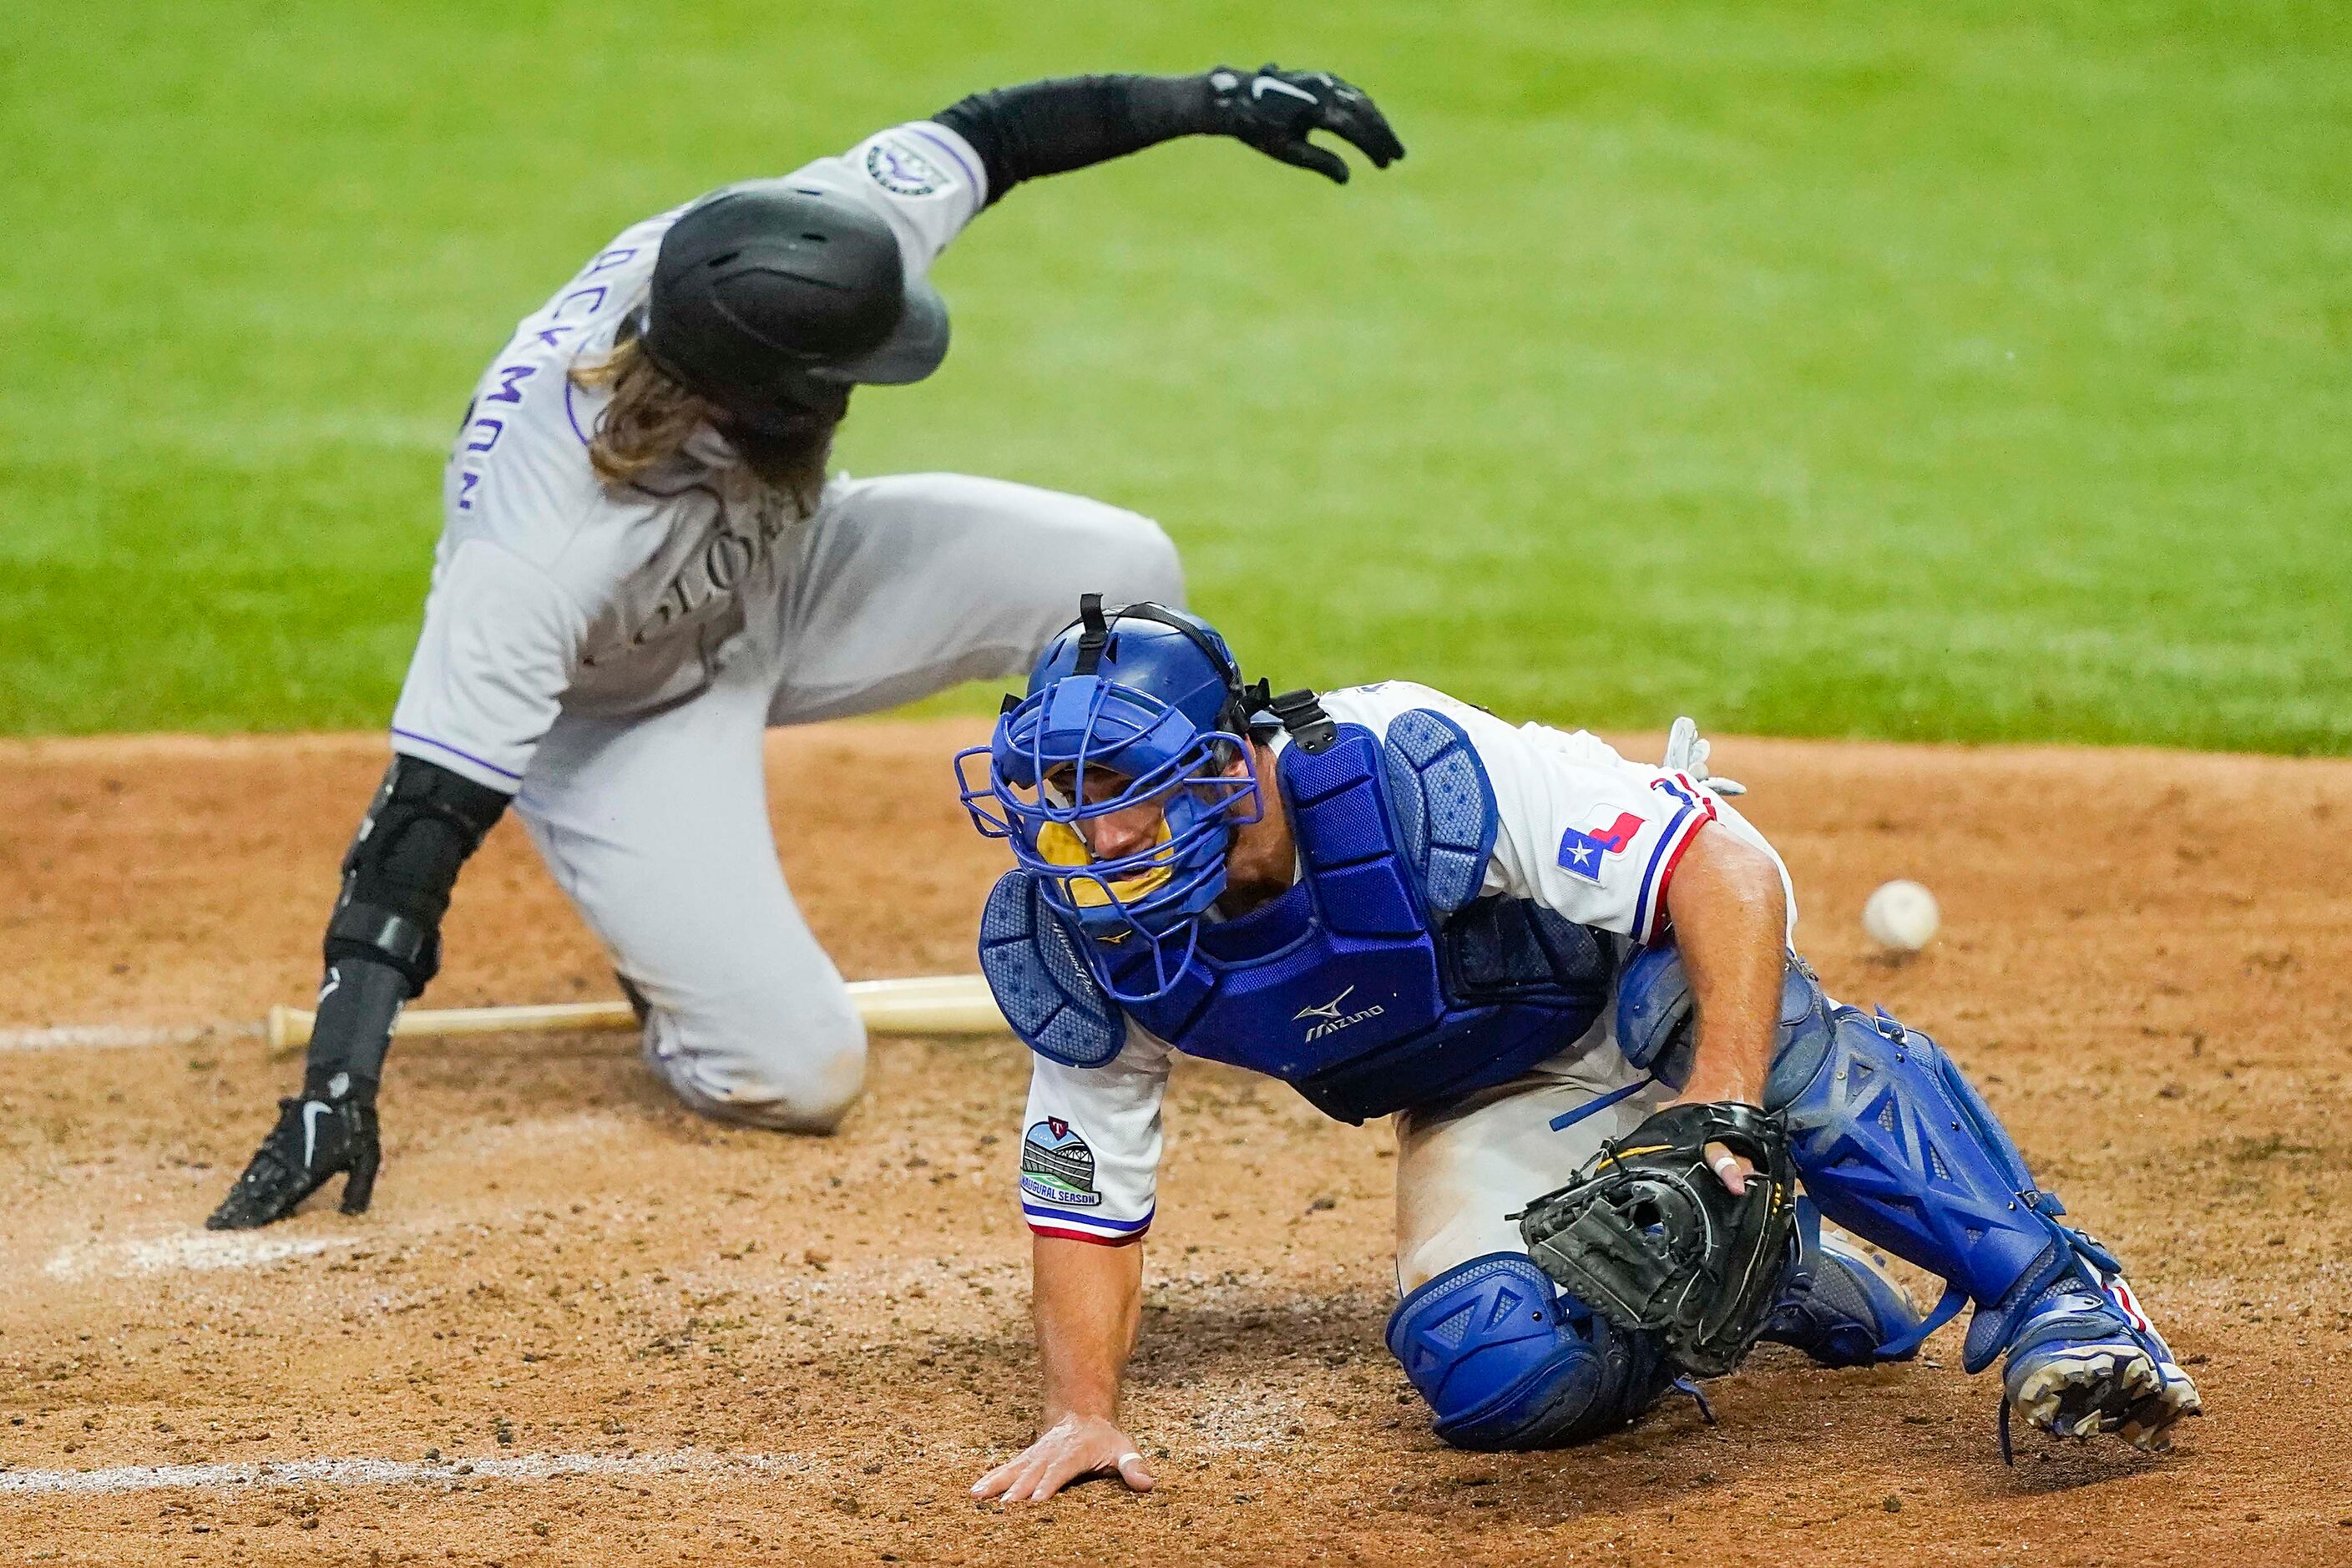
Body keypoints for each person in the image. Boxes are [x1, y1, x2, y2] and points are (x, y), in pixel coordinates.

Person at [209, 68, 1407, 1230]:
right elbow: (417, 826)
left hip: (797, 568)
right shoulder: (535, 555)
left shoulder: (785, 248)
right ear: (764, 402)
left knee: (1122, 574)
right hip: (623, 712)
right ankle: (665, 958)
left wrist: (1214, 99)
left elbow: (997, 133)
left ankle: (1186, 901)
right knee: (795, 1073)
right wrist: (334, 1079)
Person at [957, 598, 2202, 1502]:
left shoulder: (1402, 771)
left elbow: (1717, 861)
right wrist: (1082, 1410)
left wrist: (1717, 1101)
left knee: (1724, 1041)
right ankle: (1761, 1282)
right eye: (1052, 795)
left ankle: (2063, 1298)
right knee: (1488, 1366)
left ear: (1225, 769)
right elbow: (1083, 1187)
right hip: (1487, 1093)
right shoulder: (1090, 939)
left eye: (1113, 785)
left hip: (1650, 1009)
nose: (1080, 833)